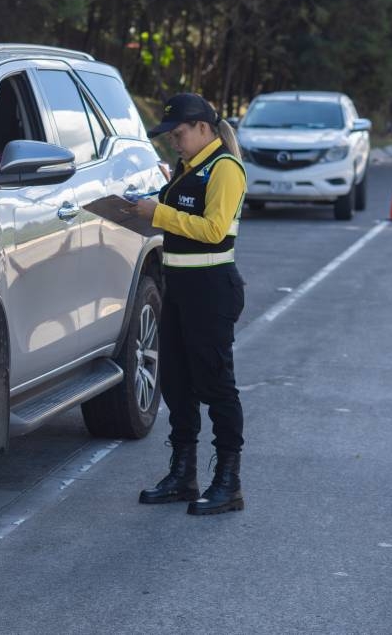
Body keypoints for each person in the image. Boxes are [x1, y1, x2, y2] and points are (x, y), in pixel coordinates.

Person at [131, 93, 246, 516]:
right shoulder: (187, 168)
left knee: (216, 385)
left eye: (178, 134)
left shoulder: (225, 168)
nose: (174, 143)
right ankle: (183, 475)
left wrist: (157, 213)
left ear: (202, 128)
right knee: (177, 384)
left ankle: (228, 482)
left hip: (211, 290)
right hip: (178, 288)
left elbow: (214, 230)